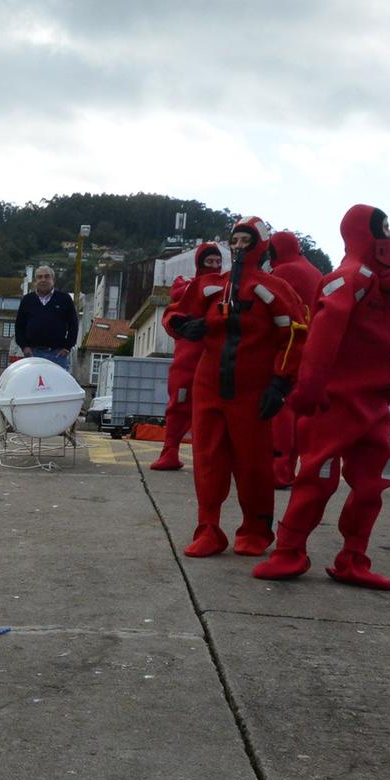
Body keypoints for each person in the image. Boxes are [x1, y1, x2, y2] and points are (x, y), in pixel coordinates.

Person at [253, 205, 390, 588]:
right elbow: (322, 339)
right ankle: (289, 550)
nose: (388, 236)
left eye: (388, 229)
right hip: (336, 402)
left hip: (373, 405)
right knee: (317, 476)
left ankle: (353, 556)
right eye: (382, 229)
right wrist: (308, 393)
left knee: (375, 480)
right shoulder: (348, 280)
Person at [167, 216, 309, 557]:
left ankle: (256, 529)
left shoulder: (275, 290)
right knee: (207, 458)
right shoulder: (212, 287)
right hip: (209, 385)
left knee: (254, 463)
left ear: (260, 246)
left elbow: (294, 334)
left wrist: (280, 382)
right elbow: (174, 313)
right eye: (236, 240)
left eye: (246, 241)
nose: (239, 247)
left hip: (254, 390)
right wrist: (184, 327)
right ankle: (208, 528)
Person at [148, 244, 222, 472]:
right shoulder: (188, 287)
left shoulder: (227, 287)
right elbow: (173, 314)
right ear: (200, 262)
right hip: (189, 359)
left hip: (214, 358)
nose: (215, 266)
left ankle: (205, 456)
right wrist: (182, 324)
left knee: (213, 410)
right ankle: (170, 450)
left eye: (218, 262)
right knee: (179, 404)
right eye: (210, 262)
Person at [261, 230, 324, 487]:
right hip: (311, 348)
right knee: (298, 412)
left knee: (280, 410)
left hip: (287, 347)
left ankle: (278, 470)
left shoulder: (283, 272)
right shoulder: (314, 271)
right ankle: (289, 469)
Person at [13, 264, 77, 369]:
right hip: (32, 354)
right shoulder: (27, 300)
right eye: (39, 277)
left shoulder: (65, 299)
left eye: (47, 276)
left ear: (53, 280)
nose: (43, 279)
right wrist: (24, 347)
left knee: (57, 385)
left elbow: (73, 325)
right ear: (35, 281)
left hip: (58, 355)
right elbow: (19, 326)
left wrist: (67, 348)